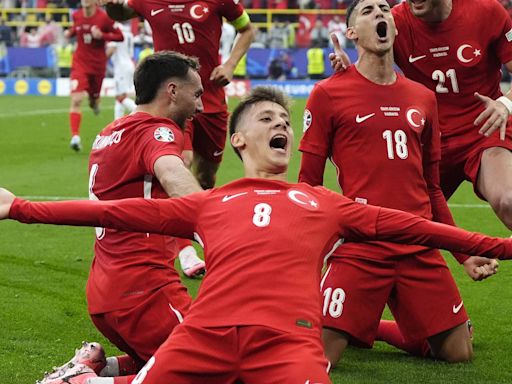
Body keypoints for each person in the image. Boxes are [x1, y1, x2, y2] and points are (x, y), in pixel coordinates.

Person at [2, 86, 512, 383]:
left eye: (286, 121)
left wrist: (503, 247)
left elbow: (415, 227)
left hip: (287, 343)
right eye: (268, 118)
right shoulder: (209, 202)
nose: (282, 126)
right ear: (239, 139)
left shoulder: (323, 204)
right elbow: (118, 212)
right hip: (203, 337)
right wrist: (18, 207)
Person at [299, 0, 499, 367]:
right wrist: (313, 255)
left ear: (395, 27)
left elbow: (432, 188)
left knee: (458, 353)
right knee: (318, 355)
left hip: (417, 244)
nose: (380, 13)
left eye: (384, 9)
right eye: (368, 10)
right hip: (361, 243)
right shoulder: (328, 94)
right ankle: (346, 320)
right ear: (352, 32)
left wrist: (464, 255)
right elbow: (308, 186)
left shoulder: (423, 97)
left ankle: (369, 326)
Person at [37, 50, 205, 384]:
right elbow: (172, 174)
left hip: (105, 293)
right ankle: (86, 383)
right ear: (172, 91)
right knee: (213, 368)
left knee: (157, 360)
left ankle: (98, 366)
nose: (200, 105)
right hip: (145, 292)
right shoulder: (157, 131)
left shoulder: (109, 133)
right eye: (196, 94)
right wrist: (225, 221)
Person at [100, 0, 255, 190]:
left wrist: (230, 65)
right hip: (171, 100)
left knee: (206, 177)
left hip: (211, 99)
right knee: (181, 160)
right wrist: (110, 4)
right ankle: (172, 215)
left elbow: (247, 29)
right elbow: (121, 14)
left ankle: (198, 213)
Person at [66, 0, 123, 151]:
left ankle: (95, 102)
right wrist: (70, 32)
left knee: (93, 101)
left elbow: (120, 36)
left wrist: (102, 35)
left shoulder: (104, 18)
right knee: (77, 98)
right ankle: (75, 137)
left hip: (97, 66)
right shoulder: (76, 15)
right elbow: (77, 28)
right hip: (80, 63)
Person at [106, 22, 136, 120]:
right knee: (120, 97)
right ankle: (117, 123)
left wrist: (100, 60)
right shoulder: (129, 32)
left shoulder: (115, 31)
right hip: (129, 64)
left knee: (120, 97)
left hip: (121, 67)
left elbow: (112, 49)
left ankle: (140, 113)